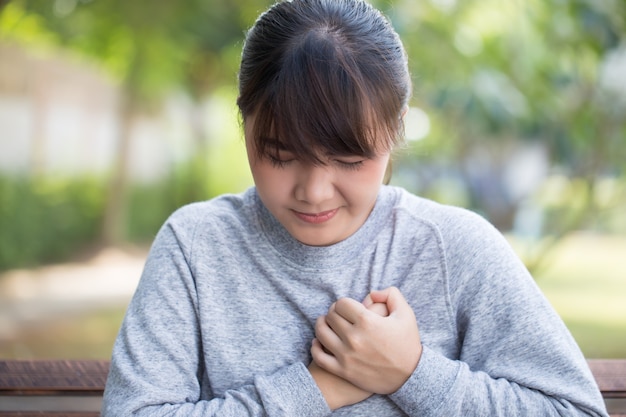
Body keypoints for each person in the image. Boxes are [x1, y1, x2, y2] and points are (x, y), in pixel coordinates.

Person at [101, 0, 609, 415]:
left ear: (396, 129)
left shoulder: (454, 247)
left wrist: (411, 373)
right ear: (244, 122)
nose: (314, 191)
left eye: (349, 158)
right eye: (281, 155)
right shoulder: (197, 245)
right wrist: (317, 389)